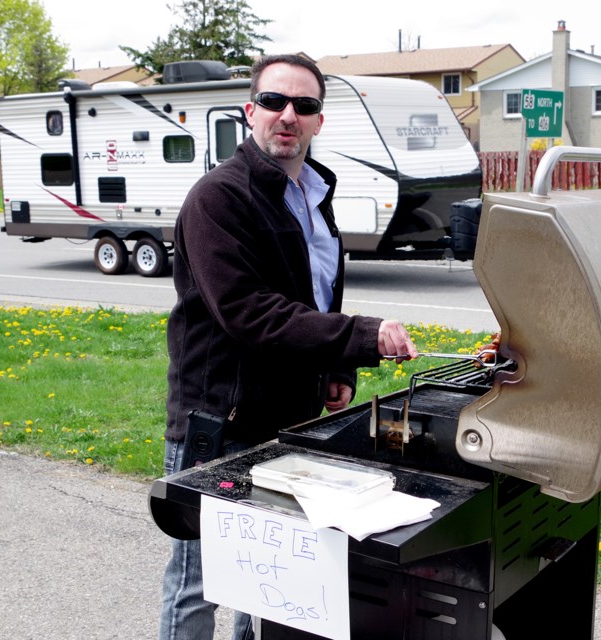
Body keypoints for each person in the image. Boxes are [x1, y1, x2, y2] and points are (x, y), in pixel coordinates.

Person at [158, 54, 418, 640]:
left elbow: (313, 296)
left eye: (304, 105)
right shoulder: (217, 199)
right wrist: (361, 335)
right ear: (250, 111)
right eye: (275, 101)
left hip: (290, 423)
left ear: (319, 121)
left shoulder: (314, 195)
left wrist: (335, 365)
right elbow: (249, 313)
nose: (288, 115)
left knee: (267, 574)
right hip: (220, 422)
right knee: (198, 580)